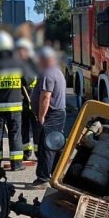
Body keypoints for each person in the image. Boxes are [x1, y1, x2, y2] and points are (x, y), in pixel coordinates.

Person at [0, 30, 25, 171]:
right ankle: (17, 164)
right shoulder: (18, 62)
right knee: (15, 134)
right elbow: (28, 80)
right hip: (15, 107)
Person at [32, 46, 68, 186]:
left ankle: (43, 178)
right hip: (57, 114)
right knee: (55, 145)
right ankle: (56, 175)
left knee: (47, 146)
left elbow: (45, 97)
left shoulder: (48, 73)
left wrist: (41, 116)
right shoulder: (56, 71)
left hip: (52, 115)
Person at [16, 37, 39, 162]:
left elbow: (28, 79)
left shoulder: (31, 63)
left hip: (32, 100)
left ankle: (38, 151)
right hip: (23, 101)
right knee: (24, 127)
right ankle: (26, 151)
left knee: (36, 128)